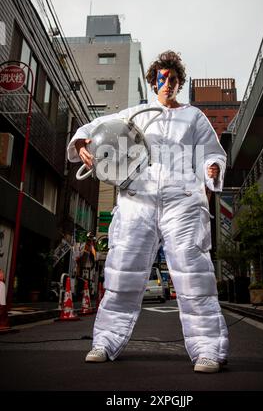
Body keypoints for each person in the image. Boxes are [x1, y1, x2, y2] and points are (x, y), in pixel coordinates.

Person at [67, 50, 229, 373]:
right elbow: (95, 126)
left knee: (193, 274)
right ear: (153, 80)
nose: (167, 83)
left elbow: (211, 152)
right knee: (122, 271)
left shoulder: (194, 117)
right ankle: (105, 340)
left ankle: (208, 348)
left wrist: (212, 168)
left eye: (172, 78)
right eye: (161, 78)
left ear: (179, 82)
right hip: (137, 199)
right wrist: (82, 142)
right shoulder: (137, 113)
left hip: (182, 200)